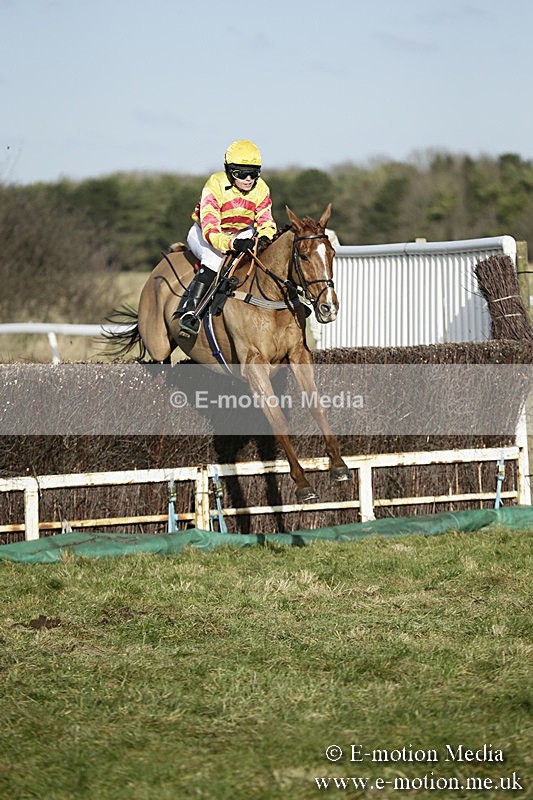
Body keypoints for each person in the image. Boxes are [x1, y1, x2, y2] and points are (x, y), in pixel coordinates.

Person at [175, 139, 277, 334]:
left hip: (241, 231)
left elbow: (266, 221)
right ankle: (190, 312)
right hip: (206, 233)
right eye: (242, 173)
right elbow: (211, 231)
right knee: (214, 260)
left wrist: (264, 238)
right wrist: (233, 243)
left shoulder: (261, 188)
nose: (249, 179)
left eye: (254, 173)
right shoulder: (214, 185)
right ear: (230, 171)